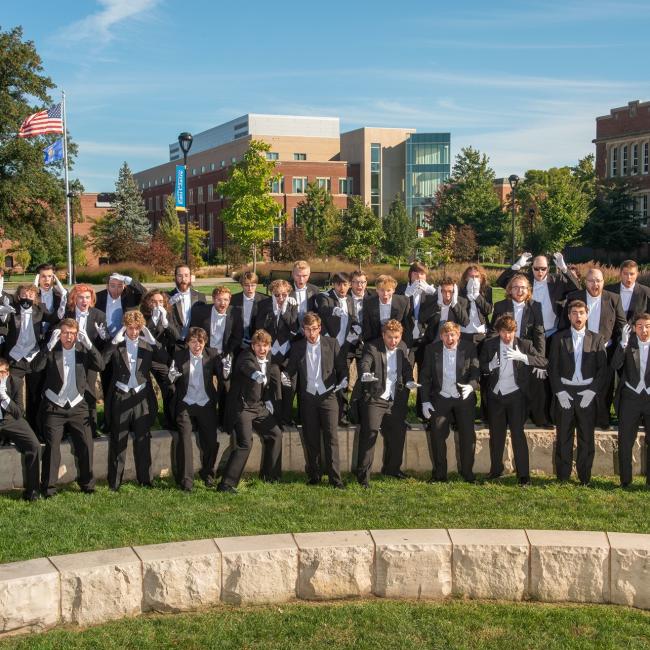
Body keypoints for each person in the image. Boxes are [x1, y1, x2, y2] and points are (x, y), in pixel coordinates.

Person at [499, 251, 580, 426]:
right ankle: (519, 413)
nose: (540, 272)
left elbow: (576, 287)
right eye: (536, 268)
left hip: (551, 333)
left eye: (543, 269)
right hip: (524, 336)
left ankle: (544, 414)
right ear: (532, 268)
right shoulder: (525, 281)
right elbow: (502, 282)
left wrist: (564, 268)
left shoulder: (556, 280)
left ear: (548, 268)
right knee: (518, 374)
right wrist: (517, 265)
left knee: (545, 376)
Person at [31, 318, 104, 498]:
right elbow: (35, 367)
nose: (68, 337)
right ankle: (48, 487)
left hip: (78, 405)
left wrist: (89, 344)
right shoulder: (51, 350)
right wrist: (48, 345)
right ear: (59, 333)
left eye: (72, 333)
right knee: (52, 447)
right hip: (54, 407)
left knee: (86, 445)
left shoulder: (82, 351)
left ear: (77, 335)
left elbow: (101, 365)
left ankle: (87, 483)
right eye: (65, 333)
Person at [103, 310, 168, 491]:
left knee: (143, 439)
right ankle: (114, 482)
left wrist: (153, 340)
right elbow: (101, 362)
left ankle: (145, 480)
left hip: (141, 398)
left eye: (137, 329)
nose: (133, 332)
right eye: (130, 328)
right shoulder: (117, 345)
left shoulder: (147, 346)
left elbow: (165, 359)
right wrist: (114, 341)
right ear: (125, 328)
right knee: (118, 439)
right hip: (121, 395)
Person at [283, 312, 348, 488]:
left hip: (328, 396)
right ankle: (315, 475)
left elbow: (342, 367)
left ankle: (336, 479)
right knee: (310, 437)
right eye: (307, 330)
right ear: (303, 330)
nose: (311, 333)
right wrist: (285, 376)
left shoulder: (332, 343)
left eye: (314, 329)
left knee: (331, 437)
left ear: (319, 328)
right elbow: (289, 369)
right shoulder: (297, 347)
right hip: (308, 397)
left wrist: (344, 379)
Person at [480, 315, 547, 486]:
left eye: (510, 332)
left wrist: (524, 358)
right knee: (496, 435)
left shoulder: (525, 345)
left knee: (518, 434)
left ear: (515, 331)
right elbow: (480, 367)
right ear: (498, 331)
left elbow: (543, 361)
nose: (507, 336)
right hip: (496, 396)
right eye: (504, 332)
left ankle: (524, 476)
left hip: (516, 396)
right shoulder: (489, 345)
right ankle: (496, 470)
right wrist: (489, 366)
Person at [217, 329, 283, 493]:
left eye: (265, 346)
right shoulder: (245, 357)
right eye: (258, 346)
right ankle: (226, 484)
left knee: (275, 434)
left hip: (258, 407)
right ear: (253, 346)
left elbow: (268, 382)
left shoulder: (268, 358)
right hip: (242, 407)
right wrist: (256, 375)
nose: (262, 349)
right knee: (245, 443)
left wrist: (267, 400)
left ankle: (270, 476)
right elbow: (247, 367)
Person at [549, 300, 607, 485]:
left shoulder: (597, 339)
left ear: (587, 314)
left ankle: (584, 477)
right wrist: (559, 392)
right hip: (565, 392)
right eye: (574, 313)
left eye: (581, 312)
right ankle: (563, 476)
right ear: (568, 316)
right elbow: (553, 368)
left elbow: (602, 370)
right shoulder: (559, 338)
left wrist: (592, 391)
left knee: (586, 437)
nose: (578, 316)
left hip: (586, 393)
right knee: (563, 435)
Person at [355, 319, 418, 488]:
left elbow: (406, 367)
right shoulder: (372, 347)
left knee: (398, 432)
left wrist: (410, 380)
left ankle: (392, 468)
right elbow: (365, 362)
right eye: (390, 337)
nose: (393, 341)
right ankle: (363, 476)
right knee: (370, 434)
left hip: (395, 398)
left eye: (396, 337)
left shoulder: (402, 347)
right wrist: (366, 373)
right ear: (383, 335)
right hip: (375, 398)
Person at [561, 267, 626, 428]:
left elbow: (621, 326)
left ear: (603, 282)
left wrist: (619, 343)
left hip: (606, 352)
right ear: (585, 282)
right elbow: (563, 324)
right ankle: (578, 420)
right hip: (578, 350)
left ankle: (602, 421)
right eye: (591, 281)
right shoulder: (574, 297)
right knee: (580, 386)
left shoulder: (614, 299)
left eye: (598, 280)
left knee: (604, 388)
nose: (595, 284)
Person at [419, 320, 480, 483]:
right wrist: (425, 401)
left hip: (463, 397)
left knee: (467, 436)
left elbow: (476, 371)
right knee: (437, 435)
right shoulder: (432, 350)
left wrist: (472, 386)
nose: (449, 338)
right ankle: (439, 474)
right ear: (441, 336)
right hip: (441, 397)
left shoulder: (469, 348)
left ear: (458, 335)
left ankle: (468, 473)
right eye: (446, 335)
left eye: (452, 334)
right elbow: (424, 377)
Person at [168, 327, 220, 491]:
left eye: (200, 341)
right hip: (186, 402)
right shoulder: (179, 356)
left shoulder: (212, 355)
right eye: (192, 341)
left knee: (211, 441)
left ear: (205, 342)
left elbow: (223, 376)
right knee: (184, 439)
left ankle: (208, 474)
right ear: (187, 343)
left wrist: (226, 371)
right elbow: (171, 379)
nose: (196, 345)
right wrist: (171, 377)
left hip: (205, 402)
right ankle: (186, 481)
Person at [189, 286, 243, 431]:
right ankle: (202, 419)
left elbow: (237, 337)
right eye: (219, 300)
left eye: (226, 299)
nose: (222, 303)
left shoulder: (236, 313)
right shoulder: (201, 312)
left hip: (224, 354)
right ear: (213, 299)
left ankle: (224, 421)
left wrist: (228, 354)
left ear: (229, 300)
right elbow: (194, 334)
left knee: (226, 385)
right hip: (205, 353)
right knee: (202, 384)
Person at [61, 284, 109, 438]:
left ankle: (91, 429)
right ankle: (68, 428)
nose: (84, 301)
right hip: (69, 358)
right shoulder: (67, 314)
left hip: (89, 362)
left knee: (89, 394)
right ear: (74, 298)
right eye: (81, 297)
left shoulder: (99, 315)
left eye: (87, 297)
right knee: (68, 390)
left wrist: (104, 337)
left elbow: (103, 344)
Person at [314, 272, 361, 425]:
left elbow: (353, 318)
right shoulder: (325, 297)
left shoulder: (350, 300)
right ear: (333, 284)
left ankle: (342, 414)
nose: (342, 288)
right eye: (339, 284)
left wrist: (357, 328)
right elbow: (323, 309)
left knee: (343, 379)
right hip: (328, 346)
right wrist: (334, 310)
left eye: (345, 284)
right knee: (326, 378)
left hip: (344, 348)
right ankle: (323, 413)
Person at [610, 313, 650, 487]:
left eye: (648, 326)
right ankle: (625, 481)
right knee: (625, 441)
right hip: (630, 399)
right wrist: (623, 344)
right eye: (640, 326)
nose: (644, 330)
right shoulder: (628, 344)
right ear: (634, 328)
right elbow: (615, 365)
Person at [255, 279, 299, 426]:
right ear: (272, 294)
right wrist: (273, 313)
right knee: (272, 386)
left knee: (288, 385)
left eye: (284, 295)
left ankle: (286, 417)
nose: (280, 298)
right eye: (277, 295)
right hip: (270, 351)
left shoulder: (293, 305)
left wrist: (285, 311)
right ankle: (272, 416)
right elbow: (260, 328)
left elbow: (294, 327)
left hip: (287, 351)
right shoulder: (263, 305)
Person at [0, 358, 41, 501]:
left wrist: (4, 397)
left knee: (34, 445)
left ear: (8, 372)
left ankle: (33, 491)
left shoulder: (16, 382)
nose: (1, 376)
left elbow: (18, 412)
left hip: (11, 420)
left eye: (3, 372)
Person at [1, 285, 46, 413]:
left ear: (35, 297)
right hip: (15, 359)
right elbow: (5, 320)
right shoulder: (12, 310)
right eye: (24, 295)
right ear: (19, 296)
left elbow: (53, 318)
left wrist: (60, 309)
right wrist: (3, 313)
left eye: (31, 295)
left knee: (35, 394)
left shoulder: (39, 310)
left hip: (33, 358)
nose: (27, 297)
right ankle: (12, 424)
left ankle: (34, 427)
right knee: (12, 391)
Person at [140, 290, 179, 430]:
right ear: (148, 303)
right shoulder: (142, 315)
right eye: (154, 302)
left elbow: (177, 337)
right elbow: (142, 337)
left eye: (160, 302)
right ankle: (148, 420)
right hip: (143, 359)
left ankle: (170, 420)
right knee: (147, 392)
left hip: (160, 359)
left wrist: (166, 323)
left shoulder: (168, 315)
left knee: (170, 387)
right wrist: (153, 320)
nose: (157, 305)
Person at [459, 264, 494, 422]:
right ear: (465, 278)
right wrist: (468, 295)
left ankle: (486, 414)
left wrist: (477, 296)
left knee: (484, 373)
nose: (473, 279)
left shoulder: (487, 291)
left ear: (482, 278)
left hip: (481, 336)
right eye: (470, 277)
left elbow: (488, 310)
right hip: (464, 336)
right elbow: (459, 313)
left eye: (476, 276)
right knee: (465, 373)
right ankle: (467, 413)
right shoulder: (459, 292)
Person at [362, 275, 410, 346]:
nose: (385, 294)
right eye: (382, 290)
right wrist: (368, 344)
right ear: (377, 290)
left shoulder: (403, 302)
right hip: (375, 340)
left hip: (396, 341)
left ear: (393, 290)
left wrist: (406, 345)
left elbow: (406, 325)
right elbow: (367, 325)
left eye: (388, 290)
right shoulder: (368, 302)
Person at [95, 272, 147, 338]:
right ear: (107, 286)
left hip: (126, 337)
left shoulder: (130, 297)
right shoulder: (98, 297)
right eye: (112, 286)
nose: (116, 290)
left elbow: (145, 294)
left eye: (120, 286)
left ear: (124, 286)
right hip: (104, 337)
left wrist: (128, 279)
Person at [168, 264, 207, 343]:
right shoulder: (167, 297)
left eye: (186, 275)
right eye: (180, 276)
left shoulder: (200, 297)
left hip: (194, 343)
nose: (183, 279)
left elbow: (204, 321)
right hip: (173, 343)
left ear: (190, 277)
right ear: (175, 277)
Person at [230, 272, 266, 350]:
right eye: (246, 285)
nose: (250, 289)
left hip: (258, 344)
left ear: (256, 285)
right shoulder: (232, 300)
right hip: (236, 343)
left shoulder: (265, 300)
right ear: (242, 285)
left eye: (253, 285)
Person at [290, 260, 320, 324]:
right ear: (292, 274)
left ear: (309, 275)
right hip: (290, 329)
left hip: (308, 329)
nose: (301, 279)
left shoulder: (314, 290)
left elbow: (317, 311)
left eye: (304, 276)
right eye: (298, 275)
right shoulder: (286, 290)